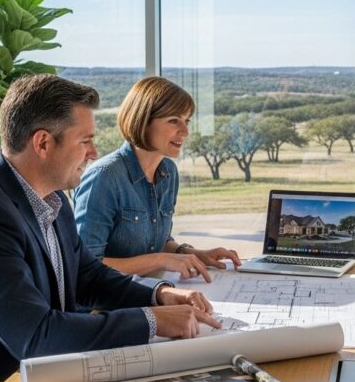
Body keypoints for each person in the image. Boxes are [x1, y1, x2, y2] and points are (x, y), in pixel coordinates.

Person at [0, 75, 222, 382]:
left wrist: (160, 295)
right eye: (85, 141)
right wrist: (153, 319)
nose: (94, 152)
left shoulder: (51, 198)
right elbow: (37, 337)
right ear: (43, 143)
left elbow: (87, 275)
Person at [74, 77, 240, 281]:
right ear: (143, 122)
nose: (186, 131)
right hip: (107, 307)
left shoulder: (168, 172)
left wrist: (194, 254)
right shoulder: (104, 177)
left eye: (186, 121)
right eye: (174, 121)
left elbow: (156, 241)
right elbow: (84, 266)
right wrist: (161, 260)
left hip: (150, 291)